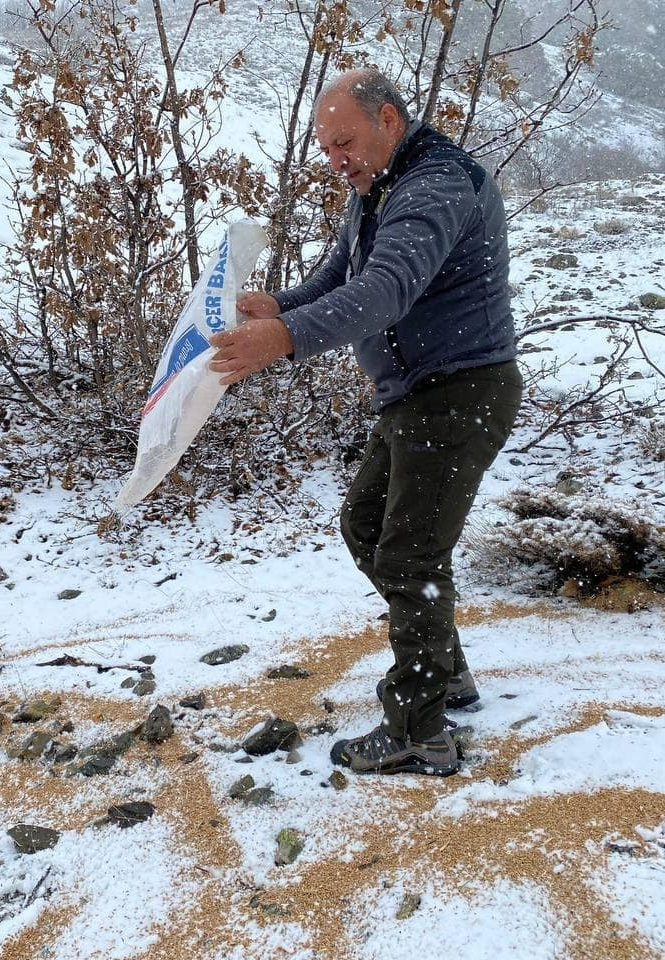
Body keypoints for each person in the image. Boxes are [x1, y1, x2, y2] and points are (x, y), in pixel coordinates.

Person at [208, 69, 522, 777]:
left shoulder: (436, 185)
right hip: (416, 397)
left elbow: (384, 292)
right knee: (369, 528)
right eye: (326, 148)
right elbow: (339, 277)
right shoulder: (376, 188)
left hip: (460, 392)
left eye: (344, 141)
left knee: (409, 555)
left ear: (387, 119)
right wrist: (277, 307)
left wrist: (284, 340)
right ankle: (441, 670)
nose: (336, 159)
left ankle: (420, 729)